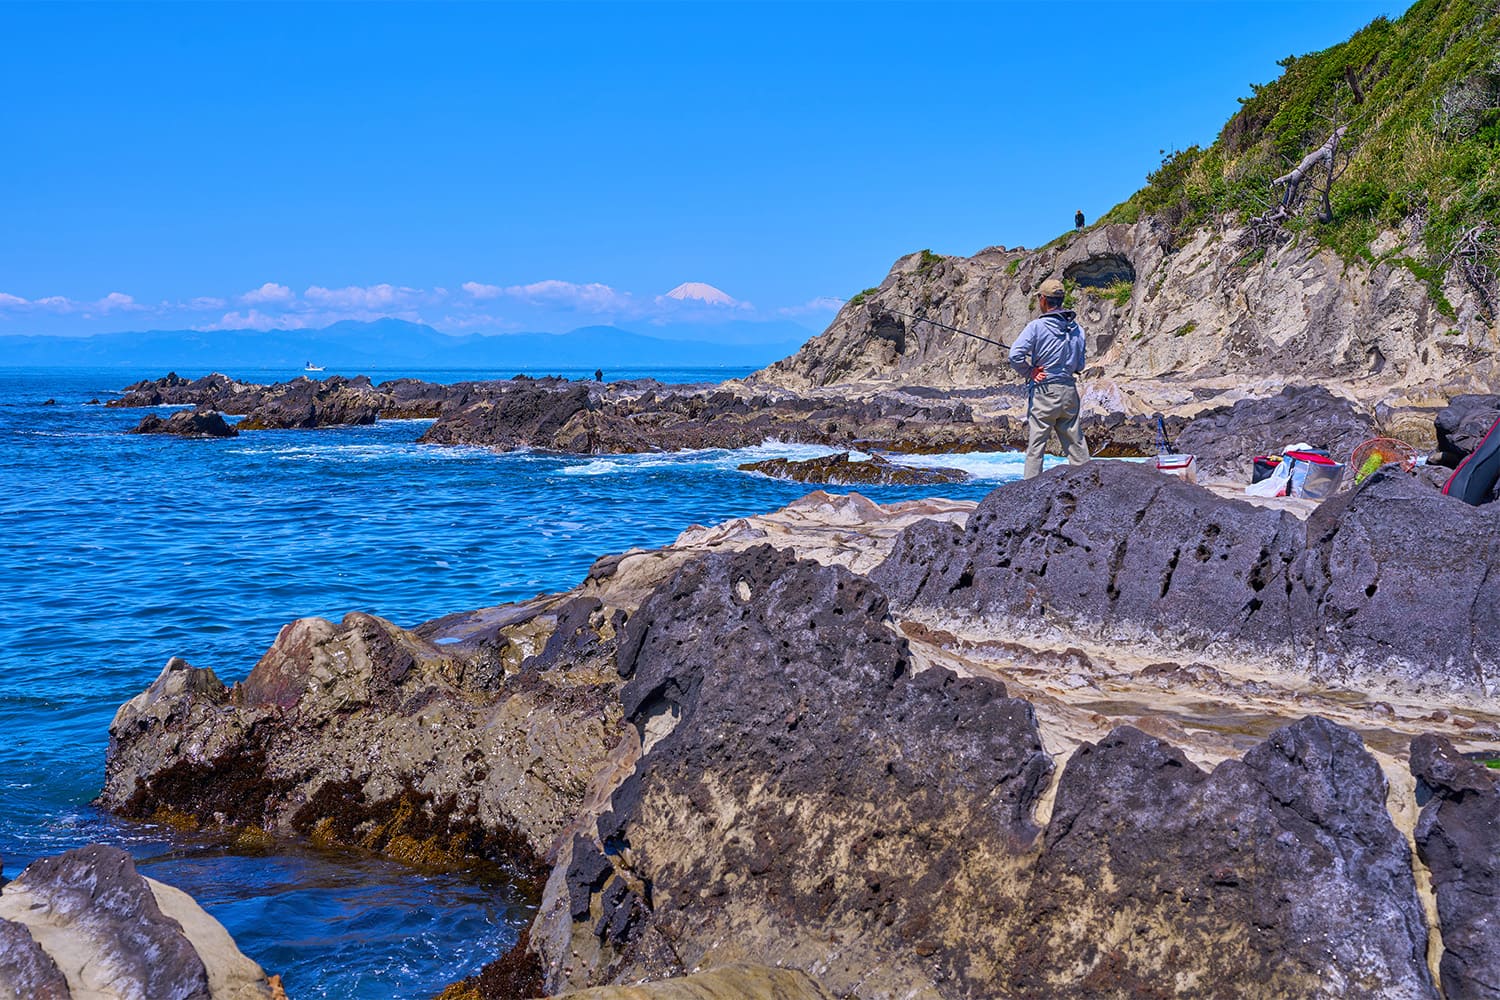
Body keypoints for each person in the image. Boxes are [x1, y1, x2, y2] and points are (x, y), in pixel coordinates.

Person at [1009, 277, 1090, 479]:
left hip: (1044, 390)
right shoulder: (1078, 329)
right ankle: (1089, 484)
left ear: (1043, 300)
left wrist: (1030, 372)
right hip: (1069, 391)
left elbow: (1015, 355)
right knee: (1076, 444)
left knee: (1036, 446)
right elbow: (1080, 366)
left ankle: (1030, 489)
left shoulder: (1036, 326)